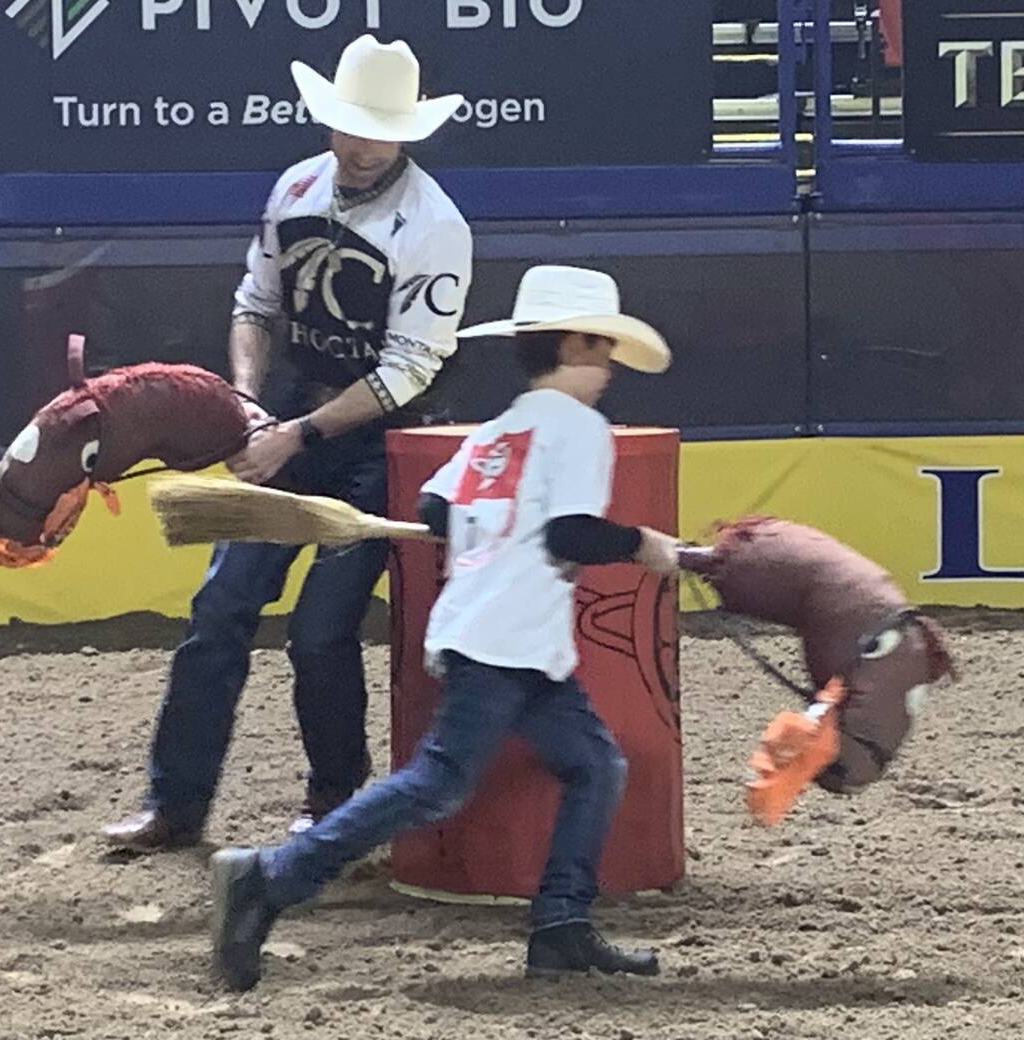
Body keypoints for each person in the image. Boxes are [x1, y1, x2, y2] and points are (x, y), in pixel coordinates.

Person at [207, 265, 679, 990]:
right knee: (440, 781)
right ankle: (272, 875)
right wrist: (642, 544)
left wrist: (492, 527)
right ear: (575, 344)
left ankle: (561, 924)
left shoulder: (503, 426)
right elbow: (569, 534)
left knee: (593, 765)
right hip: (511, 637)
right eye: (602, 347)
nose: (609, 365)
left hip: (493, 630)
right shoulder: (580, 430)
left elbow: (435, 510)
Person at [102, 35, 474, 850]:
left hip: (381, 448)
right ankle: (177, 803)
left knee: (320, 630)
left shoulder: (436, 227)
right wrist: (245, 402)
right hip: (289, 426)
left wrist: (289, 433)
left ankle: (332, 803)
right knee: (221, 608)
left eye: (378, 129)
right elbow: (255, 305)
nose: (361, 142)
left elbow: (409, 371)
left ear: (407, 133)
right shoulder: (297, 186)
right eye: (349, 124)